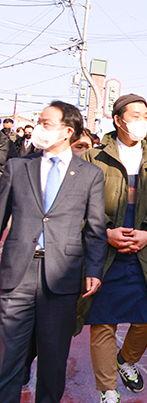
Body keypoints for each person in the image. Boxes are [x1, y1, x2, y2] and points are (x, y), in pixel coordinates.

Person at [0, 101, 107, 403]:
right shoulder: (18, 167)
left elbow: (96, 228)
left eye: (46, 124)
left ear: (67, 131)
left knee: (53, 359)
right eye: (39, 122)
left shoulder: (90, 174)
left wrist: (94, 270)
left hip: (62, 276)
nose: (39, 128)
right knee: (7, 356)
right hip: (17, 273)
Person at [79, 94, 147, 403]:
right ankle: (108, 389)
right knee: (102, 320)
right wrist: (104, 233)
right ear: (118, 120)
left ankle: (126, 360)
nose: (142, 121)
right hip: (106, 248)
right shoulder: (94, 157)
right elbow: (80, 203)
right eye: (135, 115)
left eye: (145, 115)